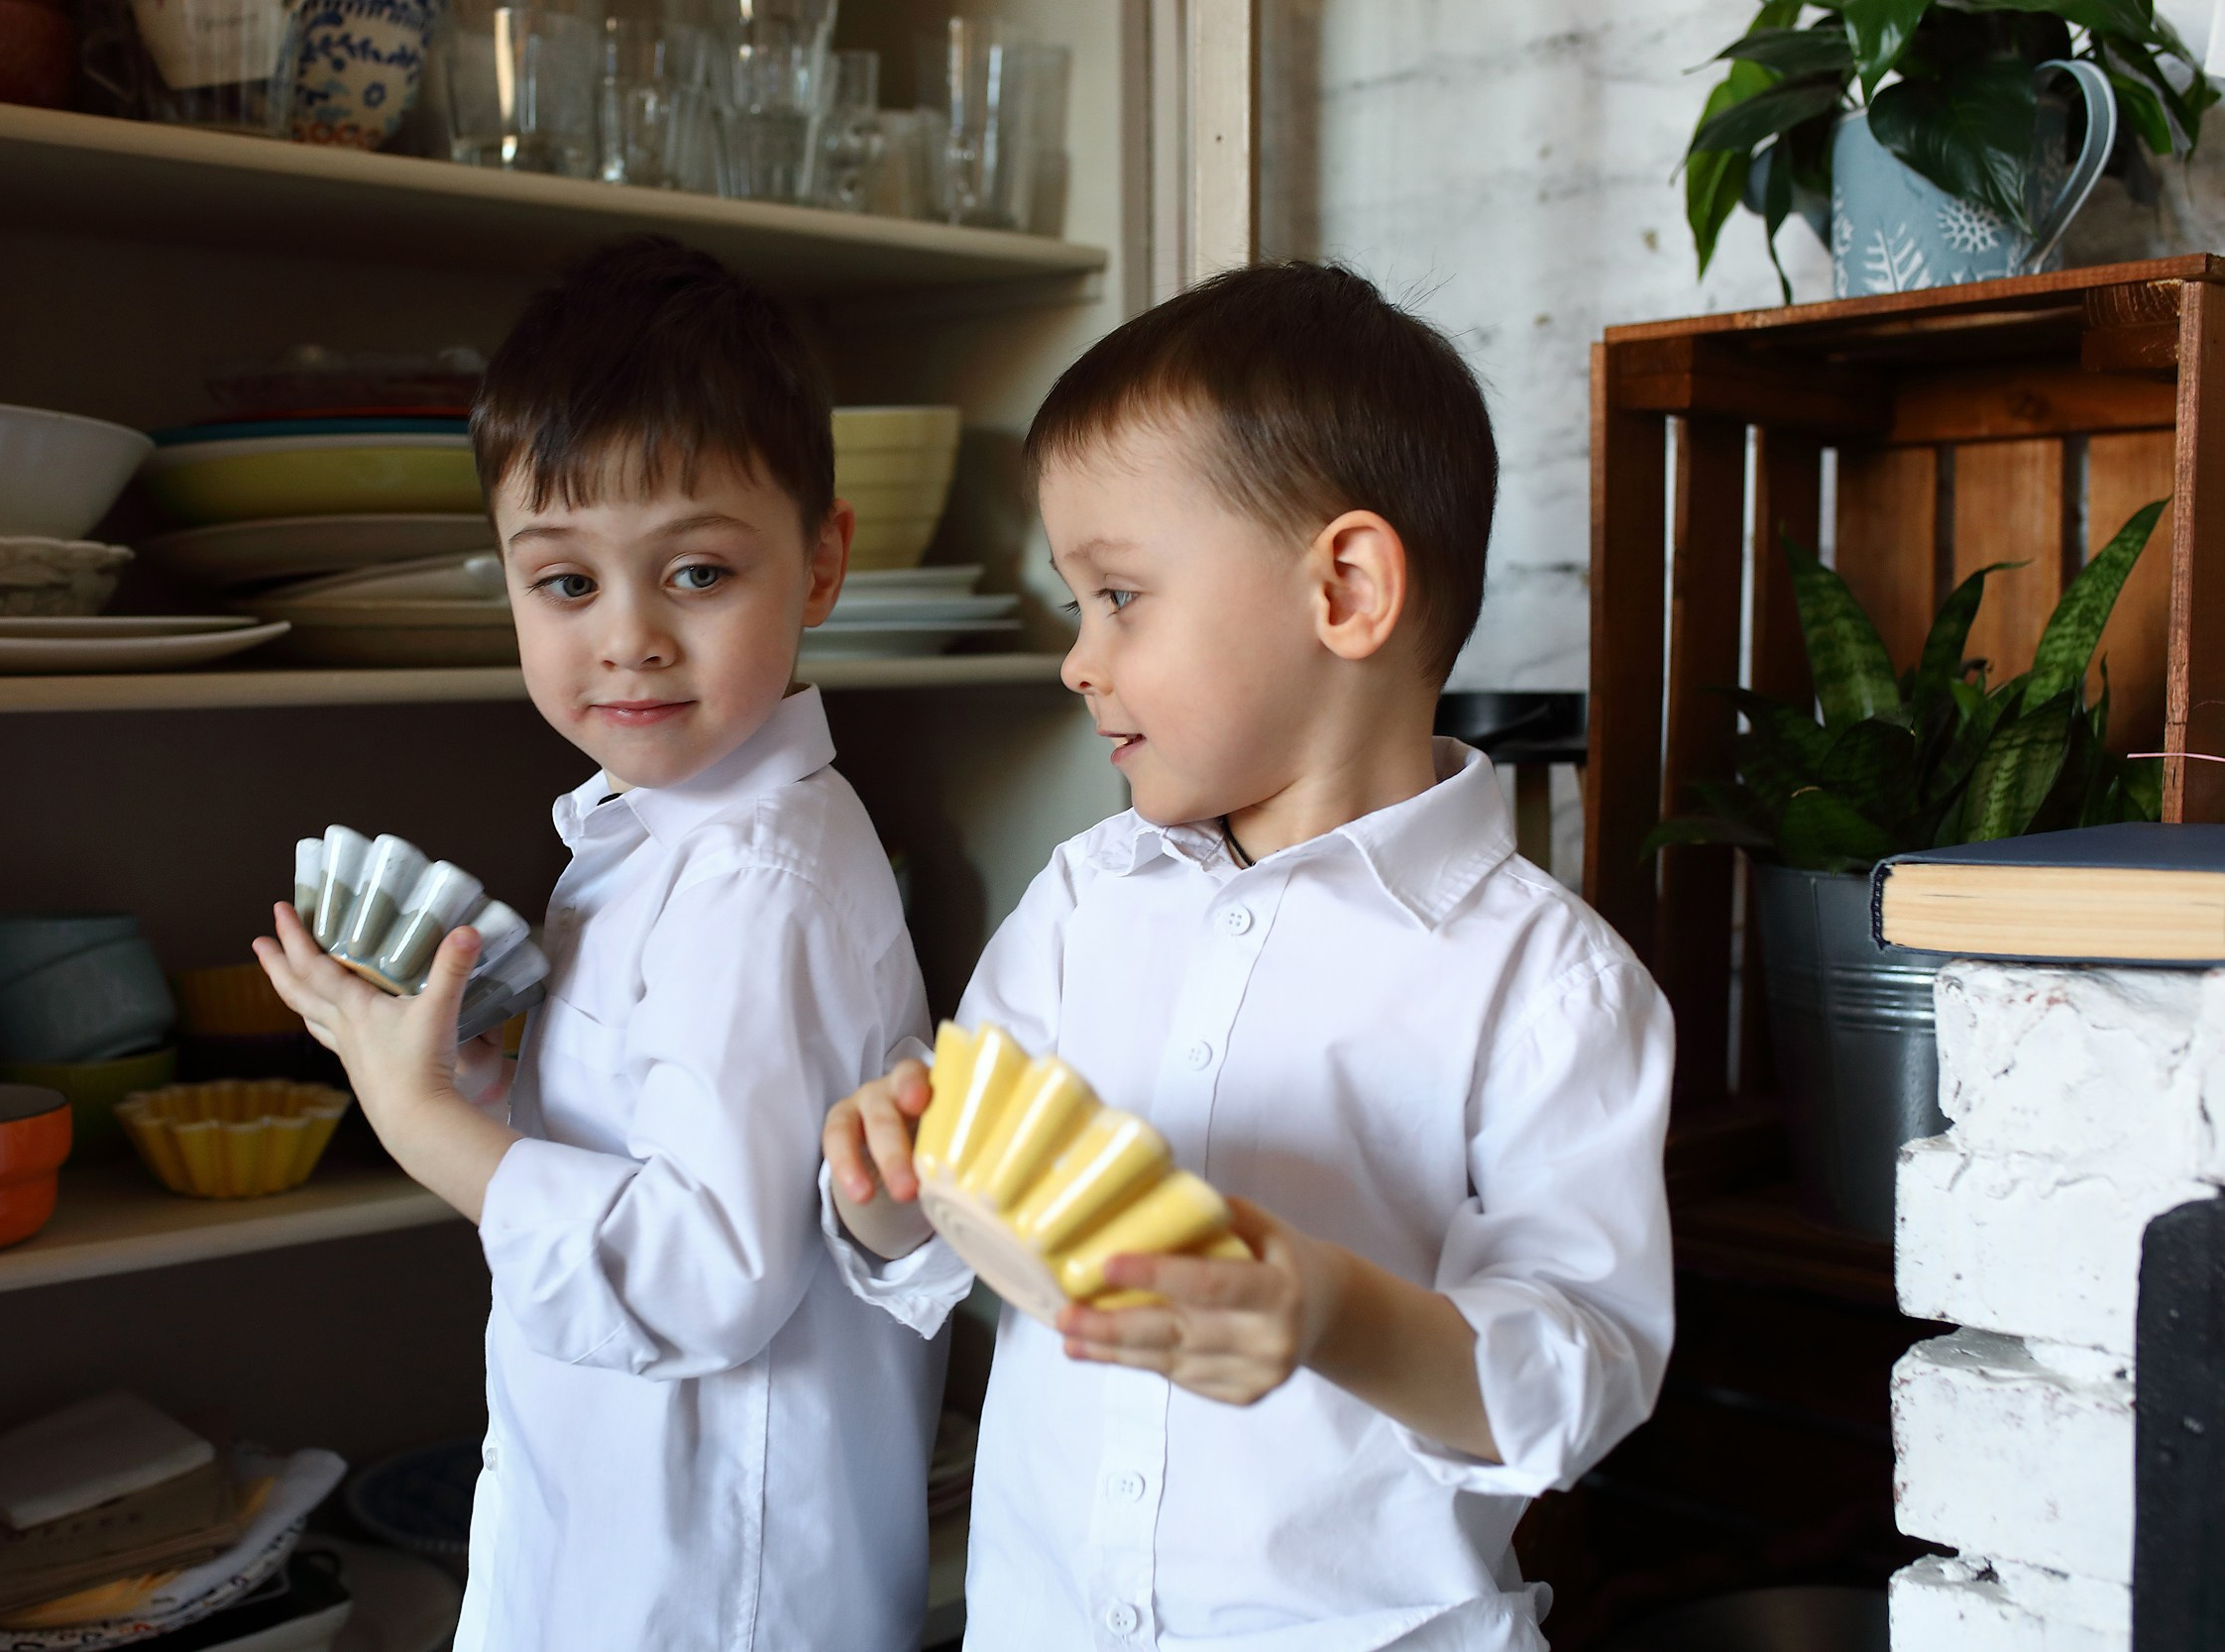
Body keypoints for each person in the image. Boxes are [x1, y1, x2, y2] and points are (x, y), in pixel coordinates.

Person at [822, 261, 1675, 1651]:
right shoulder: (1084, 905)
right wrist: (889, 1179)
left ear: (1343, 587)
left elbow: (1575, 1378)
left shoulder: (1546, 987)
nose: (1077, 662)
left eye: (1117, 597)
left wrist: (1336, 1312)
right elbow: (956, 1208)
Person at [256, 236, 942, 1652]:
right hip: (627, 1527)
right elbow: (643, 1127)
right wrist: (487, 1060)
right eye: (565, 584)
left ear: (819, 568)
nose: (626, 638)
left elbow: (701, 1274)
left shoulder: (761, 881)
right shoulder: (656, 829)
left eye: (695, 571)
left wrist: (420, 1119)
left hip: (715, 1583)